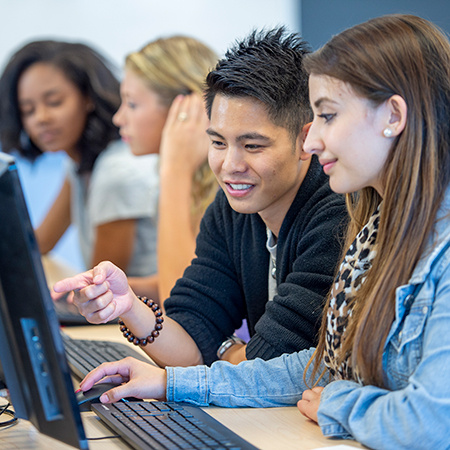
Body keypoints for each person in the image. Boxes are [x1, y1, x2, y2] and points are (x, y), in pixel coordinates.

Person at [72, 14, 450, 449]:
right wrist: (169, 377)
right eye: (217, 142)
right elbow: (324, 365)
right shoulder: (379, 227)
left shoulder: (353, 217)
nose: (313, 142)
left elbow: (428, 419)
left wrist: (340, 402)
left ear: (393, 116)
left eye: (327, 116)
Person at [53, 28, 347, 368]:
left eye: (252, 146)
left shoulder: (335, 215)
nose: (229, 166)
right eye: (218, 143)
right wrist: (129, 306)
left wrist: (220, 350)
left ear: (304, 140)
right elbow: (191, 339)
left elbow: (269, 364)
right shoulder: (231, 210)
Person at [0, 40, 159, 278]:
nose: (41, 118)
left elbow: (99, 286)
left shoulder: (115, 172)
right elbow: (37, 245)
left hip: (145, 311)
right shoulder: (77, 164)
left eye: (54, 102)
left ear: (87, 97)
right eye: (28, 110)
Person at [114, 36, 219, 302]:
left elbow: (183, 301)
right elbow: (188, 274)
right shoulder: (198, 181)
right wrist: (114, 288)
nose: (119, 118)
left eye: (132, 104)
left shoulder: (226, 186)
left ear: (183, 108)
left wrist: (175, 170)